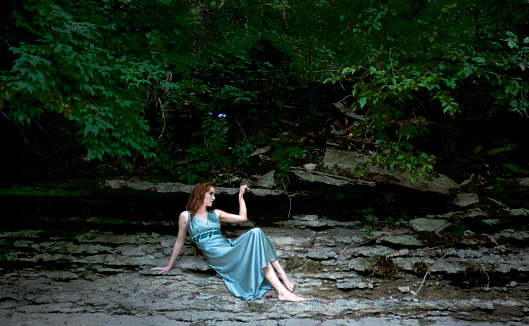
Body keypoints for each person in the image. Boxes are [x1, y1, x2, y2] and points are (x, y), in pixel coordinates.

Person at [152, 183, 306, 302]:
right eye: (211, 194)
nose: (214, 197)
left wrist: (240, 197)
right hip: (218, 255)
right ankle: (282, 286)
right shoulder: (185, 216)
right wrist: (169, 265)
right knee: (257, 243)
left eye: (214, 194)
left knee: (256, 232)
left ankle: (282, 283)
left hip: (228, 247)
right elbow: (179, 241)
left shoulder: (216, 213)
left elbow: (243, 218)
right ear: (200, 194)